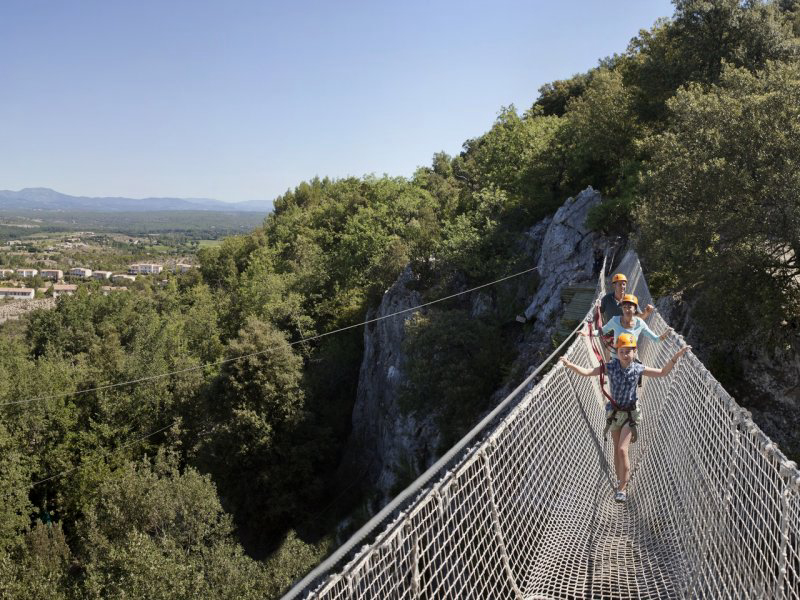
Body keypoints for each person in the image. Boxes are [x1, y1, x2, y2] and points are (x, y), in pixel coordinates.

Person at [560, 333, 691, 503]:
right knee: (616, 450)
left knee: (622, 449)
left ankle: (622, 488)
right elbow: (587, 372)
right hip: (615, 414)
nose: (625, 354)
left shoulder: (638, 368)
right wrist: (569, 364)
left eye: (628, 351)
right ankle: (619, 478)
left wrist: (676, 357)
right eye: (621, 351)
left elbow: (662, 372)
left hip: (631, 414)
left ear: (635, 352)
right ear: (617, 352)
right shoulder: (611, 367)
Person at [599, 294, 671, 359]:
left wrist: (663, 336)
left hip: (631, 359)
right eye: (624, 307)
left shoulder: (640, 323)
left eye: (629, 307)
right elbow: (602, 331)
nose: (626, 310)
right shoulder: (615, 320)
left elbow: (656, 339)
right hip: (616, 358)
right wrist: (592, 333)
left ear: (635, 309)